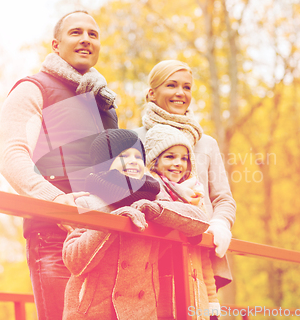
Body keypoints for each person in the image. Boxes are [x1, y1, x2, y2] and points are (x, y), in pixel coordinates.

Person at [0, 10, 118, 320]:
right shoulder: (32, 89)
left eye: (93, 34)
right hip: (54, 236)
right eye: (76, 32)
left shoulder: (104, 103)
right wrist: (56, 200)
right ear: (55, 44)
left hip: (104, 237)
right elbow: (13, 157)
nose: (86, 39)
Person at [62, 129, 210, 320]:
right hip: (93, 312)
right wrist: (114, 221)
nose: (133, 161)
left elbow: (199, 222)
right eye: (123, 155)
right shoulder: (87, 202)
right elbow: (74, 261)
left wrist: (153, 210)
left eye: (138, 156)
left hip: (142, 311)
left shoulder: (154, 199)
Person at [134, 60, 237, 290]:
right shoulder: (134, 139)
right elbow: (123, 193)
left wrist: (219, 225)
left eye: (187, 87)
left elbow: (223, 199)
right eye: (171, 85)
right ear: (152, 93)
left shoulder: (206, 143)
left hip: (200, 259)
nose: (180, 93)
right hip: (149, 257)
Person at [144, 124, 220, 319]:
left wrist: (212, 299)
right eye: (170, 157)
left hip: (196, 290)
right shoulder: (152, 193)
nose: (178, 163)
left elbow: (203, 256)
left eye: (184, 158)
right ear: (154, 160)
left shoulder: (195, 198)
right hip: (160, 288)